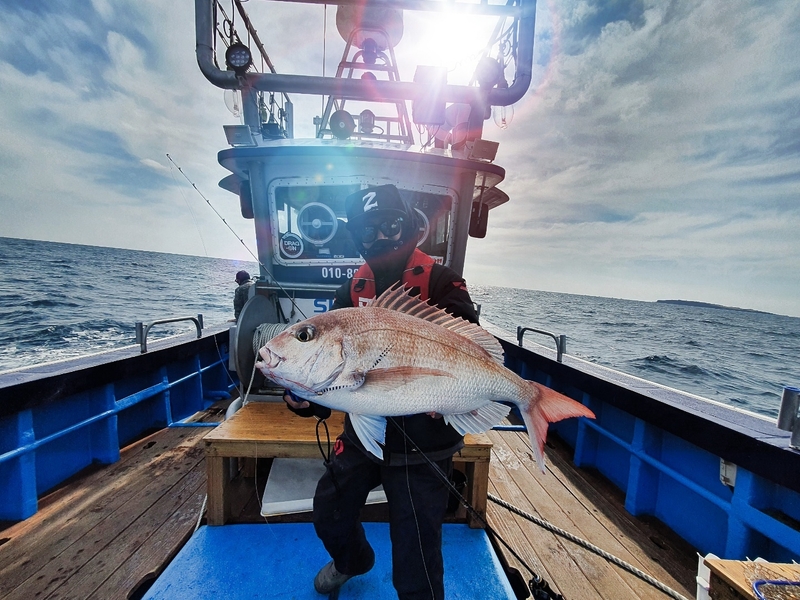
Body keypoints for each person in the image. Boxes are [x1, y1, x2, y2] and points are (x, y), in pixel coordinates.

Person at [283, 184, 479, 600]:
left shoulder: (442, 281)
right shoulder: (352, 292)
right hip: (364, 429)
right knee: (329, 510)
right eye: (367, 231)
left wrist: (450, 396)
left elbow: (468, 344)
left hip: (426, 441)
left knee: (416, 552)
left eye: (390, 225)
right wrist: (306, 400)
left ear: (408, 226)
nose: (381, 238)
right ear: (357, 237)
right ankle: (353, 561)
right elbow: (330, 371)